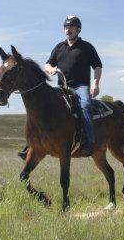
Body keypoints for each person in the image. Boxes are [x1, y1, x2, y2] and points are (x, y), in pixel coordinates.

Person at [44, 15, 103, 156]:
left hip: (80, 86)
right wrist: (51, 69)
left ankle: (88, 142)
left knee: (85, 105)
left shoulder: (86, 47)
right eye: (66, 27)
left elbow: (98, 66)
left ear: (78, 29)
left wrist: (95, 83)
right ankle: (33, 143)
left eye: (71, 27)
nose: (67, 30)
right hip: (60, 87)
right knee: (42, 104)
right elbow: (47, 64)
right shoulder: (59, 47)